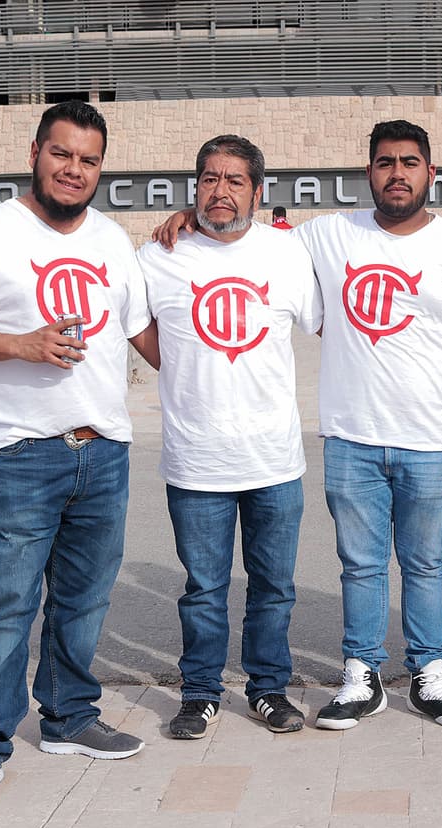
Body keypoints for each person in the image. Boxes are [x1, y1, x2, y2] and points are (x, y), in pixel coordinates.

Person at [153, 120, 442, 732]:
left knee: (425, 564)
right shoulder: (325, 236)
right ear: (368, 172)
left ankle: (430, 673)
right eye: (385, 162)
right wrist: (192, 212)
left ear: (431, 173)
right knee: (360, 565)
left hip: (431, 441)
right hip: (350, 436)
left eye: (410, 162)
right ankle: (360, 674)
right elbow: (241, 227)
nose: (397, 172)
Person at [0, 101, 157, 807]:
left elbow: (145, 333)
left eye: (87, 160)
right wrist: (21, 343)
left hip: (103, 447)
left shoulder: (114, 240)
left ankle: (69, 716)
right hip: (21, 449)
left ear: (100, 168)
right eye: (62, 154)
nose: (73, 169)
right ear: (35, 152)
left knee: (83, 600)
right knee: (10, 603)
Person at [136, 135, 320, 740]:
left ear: (258, 192)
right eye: (209, 179)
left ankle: (268, 689)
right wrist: (186, 364)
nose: (221, 191)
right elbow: (137, 326)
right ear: (194, 188)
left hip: (273, 458)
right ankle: (200, 693)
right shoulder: (158, 257)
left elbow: (327, 319)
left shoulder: (289, 255)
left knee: (273, 588)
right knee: (203, 589)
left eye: (234, 180)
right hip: (197, 461)